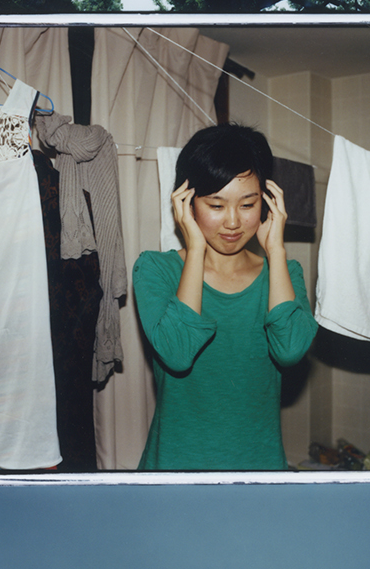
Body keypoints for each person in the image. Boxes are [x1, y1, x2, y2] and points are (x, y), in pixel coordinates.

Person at [132, 123, 318, 471]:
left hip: (259, 471)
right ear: (186, 202)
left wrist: (276, 250)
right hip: (174, 472)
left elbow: (290, 350)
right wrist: (196, 249)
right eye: (216, 205)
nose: (233, 222)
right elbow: (178, 354)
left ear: (266, 203)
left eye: (248, 204)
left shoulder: (284, 273)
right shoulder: (155, 269)